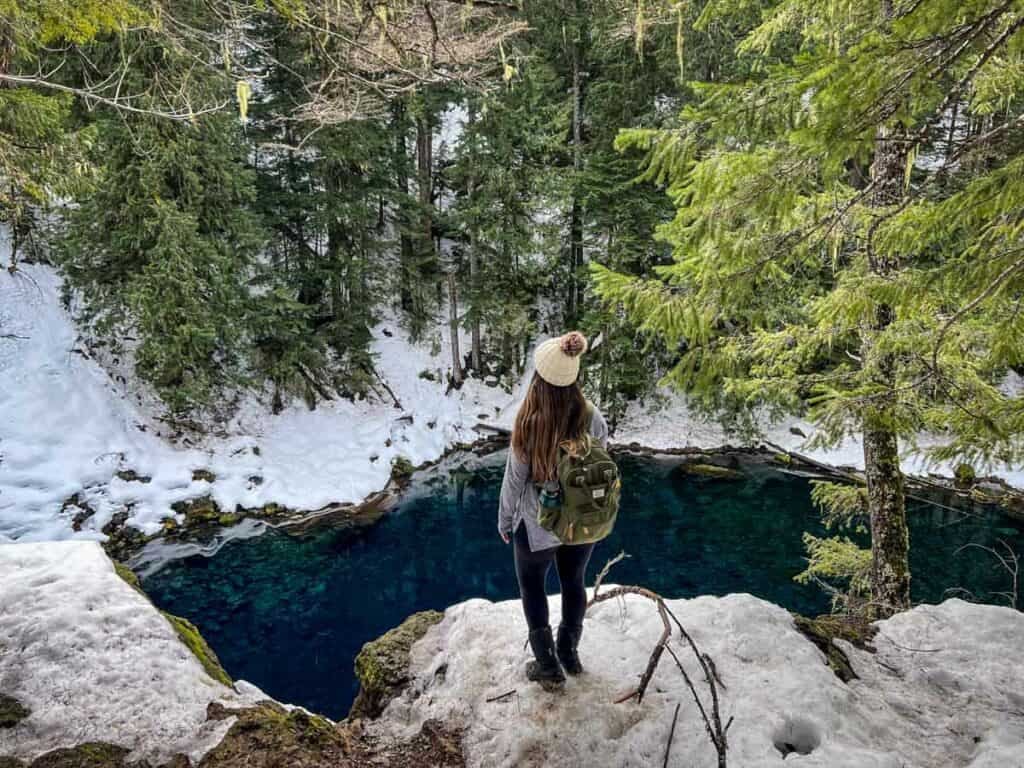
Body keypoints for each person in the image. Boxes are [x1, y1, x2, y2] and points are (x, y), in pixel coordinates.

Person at [497, 331, 608, 685]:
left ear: (539, 377)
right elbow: (599, 466)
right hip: (582, 521)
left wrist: (505, 519)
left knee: (532, 587)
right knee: (574, 581)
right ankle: (569, 653)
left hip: (538, 524)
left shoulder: (529, 422)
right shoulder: (593, 417)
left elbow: (514, 480)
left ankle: (547, 667)